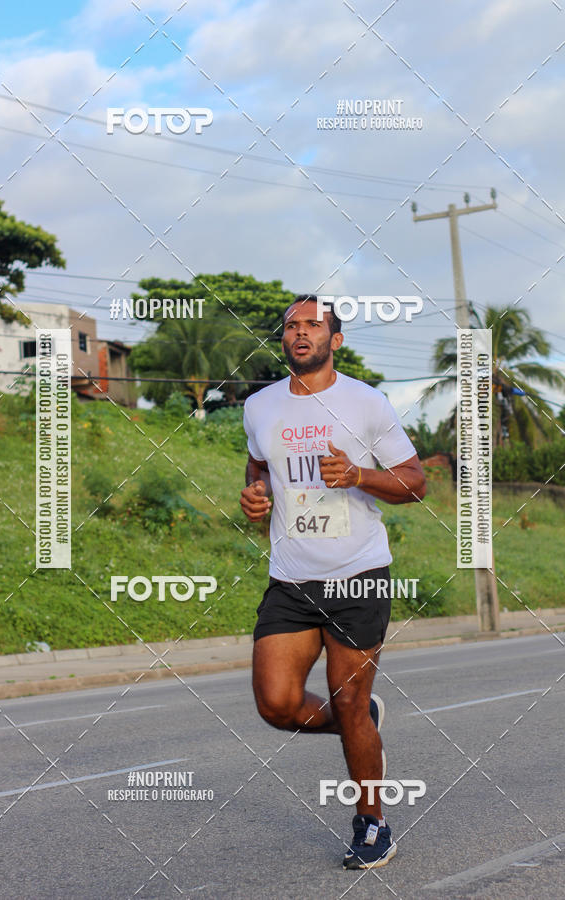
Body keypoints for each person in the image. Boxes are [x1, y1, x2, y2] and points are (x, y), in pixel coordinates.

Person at [240, 294, 426, 869]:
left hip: (358, 574)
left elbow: (416, 482)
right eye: (292, 326)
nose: (301, 333)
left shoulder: (366, 403)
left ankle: (372, 824)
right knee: (277, 705)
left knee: (348, 700)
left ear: (334, 341)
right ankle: (359, 720)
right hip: (291, 579)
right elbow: (258, 467)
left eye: (313, 326)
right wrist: (255, 495)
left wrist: (359, 475)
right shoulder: (260, 406)